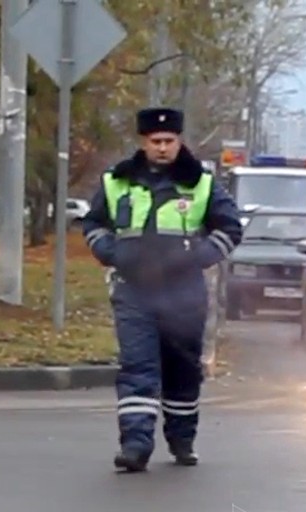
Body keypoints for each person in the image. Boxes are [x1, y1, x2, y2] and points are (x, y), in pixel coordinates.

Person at [80, 107, 243, 472]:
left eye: (169, 141)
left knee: (182, 369)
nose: (163, 148)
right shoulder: (117, 181)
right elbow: (93, 222)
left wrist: (200, 257)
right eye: (156, 141)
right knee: (138, 367)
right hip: (134, 289)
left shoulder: (200, 183)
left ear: (179, 141)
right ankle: (136, 445)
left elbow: (230, 227)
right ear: (143, 142)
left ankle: (182, 438)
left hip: (183, 292)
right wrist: (109, 252)